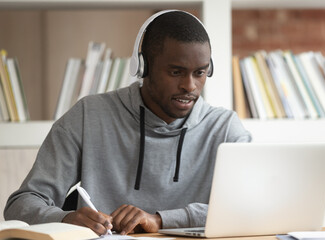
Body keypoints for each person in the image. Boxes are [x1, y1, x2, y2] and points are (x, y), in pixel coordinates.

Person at [4, 10, 251, 236]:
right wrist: (65, 218)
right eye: (176, 72)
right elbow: (21, 205)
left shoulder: (225, 128)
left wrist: (161, 220)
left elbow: (250, 206)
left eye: (200, 72)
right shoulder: (88, 116)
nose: (190, 86)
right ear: (143, 67)